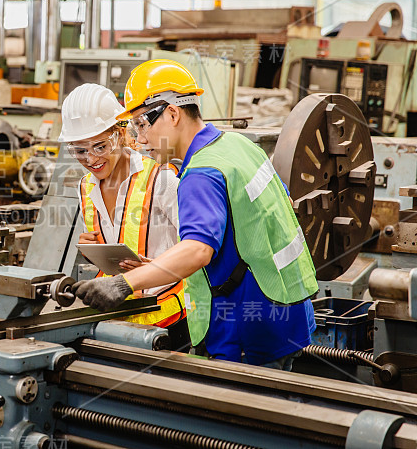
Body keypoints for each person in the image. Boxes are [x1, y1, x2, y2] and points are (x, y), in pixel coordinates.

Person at [71, 60, 317, 370]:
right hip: (285, 309)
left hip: (245, 326)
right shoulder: (237, 146)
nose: (142, 140)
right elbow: (249, 225)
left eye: (142, 125)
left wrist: (123, 285)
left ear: (172, 113)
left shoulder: (201, 173)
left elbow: (198, 250)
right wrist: (153, 267)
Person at [59, 83, 188, 348]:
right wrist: (94, 250)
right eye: (80, 151)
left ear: (120, 135)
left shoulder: (162, 180)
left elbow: (199, 250)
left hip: (168, 321)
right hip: (116, 320)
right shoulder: (86, 186)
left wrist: (150, 269)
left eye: (99, 146)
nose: (91, 159)